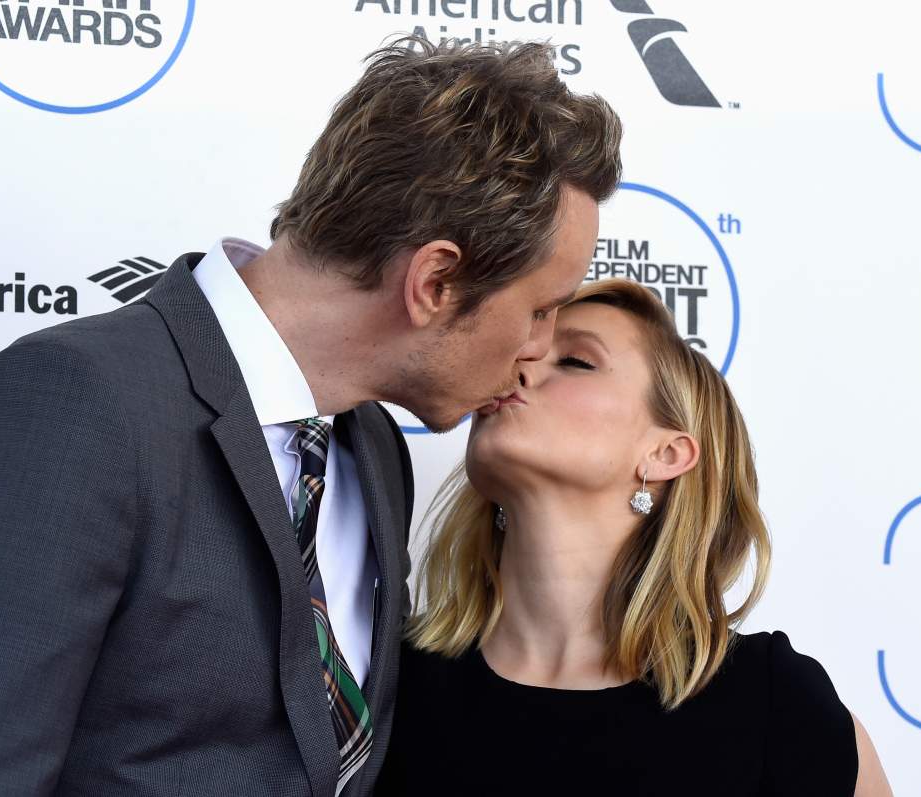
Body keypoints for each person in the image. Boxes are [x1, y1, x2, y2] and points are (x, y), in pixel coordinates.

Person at [0, 39, 622, 796]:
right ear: (435, 282)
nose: (540, 347)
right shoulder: (68, 407)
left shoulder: (374, 448)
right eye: (541, 309)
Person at [376, 279, 893, 796]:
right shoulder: (385, 684)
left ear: (666, 455)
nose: (517, 368)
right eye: (517, 353)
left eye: (576, 361)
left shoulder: (776, 707)